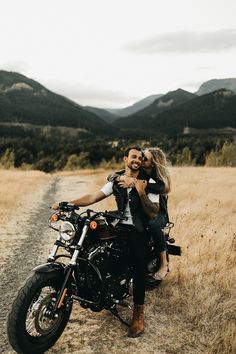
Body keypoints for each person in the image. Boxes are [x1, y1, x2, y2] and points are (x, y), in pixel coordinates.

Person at [51, 146, 159, 338]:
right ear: (125, 159)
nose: (137, 160)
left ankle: (138, 314)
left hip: (139, 228)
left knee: (138, 263)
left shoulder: (148, 182)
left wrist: (141, 192)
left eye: (140, 158)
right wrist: (69, 202)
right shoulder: (116, 180)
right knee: (92, 244)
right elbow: (94, 196)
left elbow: (153, 212)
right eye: (133, 156)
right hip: (118, 224)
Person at [115, 147, 171, 281]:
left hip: (159, 214)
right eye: (139, 156)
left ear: (153, 163)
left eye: (144, 158)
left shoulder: (156, 180)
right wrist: (120, 177)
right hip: (141, 212)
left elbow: (161, 187)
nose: (140, 160)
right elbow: (113, 175)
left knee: (153, 224)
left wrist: (134, 182)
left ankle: (164, 263)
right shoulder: (139, 173)